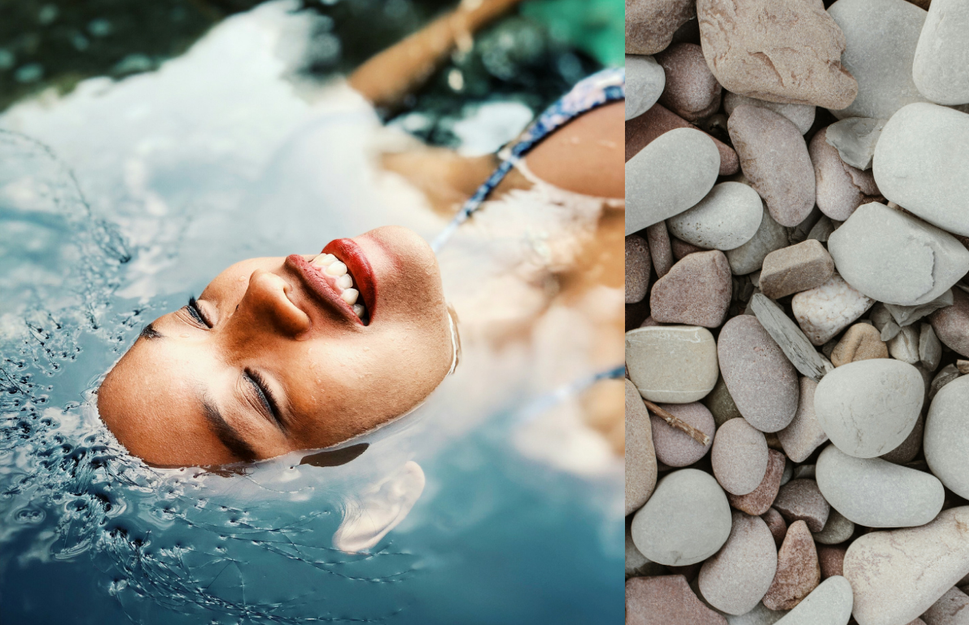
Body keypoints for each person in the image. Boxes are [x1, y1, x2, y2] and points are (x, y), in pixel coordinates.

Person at [93, 2, 626, 468]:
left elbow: (342, 109)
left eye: (196, 314)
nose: (259, 288)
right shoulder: (613, 424)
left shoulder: (378, 185)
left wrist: (484, 11)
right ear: (385, 495)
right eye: (258, 393)